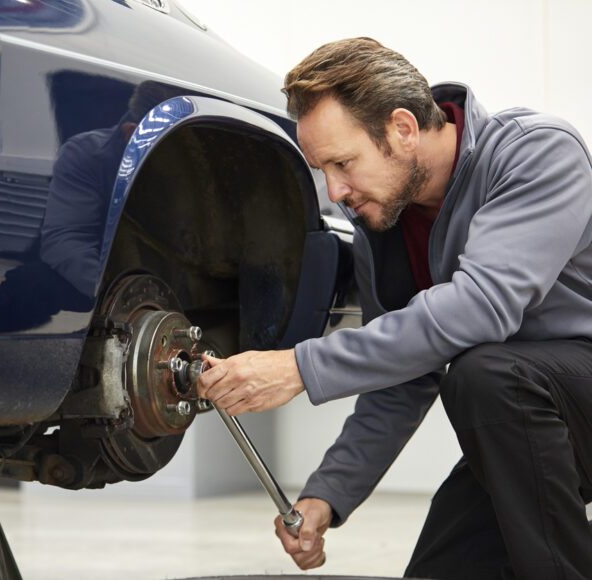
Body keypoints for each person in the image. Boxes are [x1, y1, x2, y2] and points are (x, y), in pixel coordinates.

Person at [197, 37, 592, 579]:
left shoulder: (537, 154)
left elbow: (482, 306)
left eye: (343, 163)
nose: (335, 192)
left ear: (403, 129)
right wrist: (327, 495)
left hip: (556, 391)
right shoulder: (383, 227)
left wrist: (296, 367)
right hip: (525, 416)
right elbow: (405, 376)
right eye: (322, 171)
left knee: (483, 376)